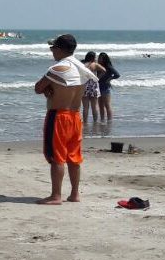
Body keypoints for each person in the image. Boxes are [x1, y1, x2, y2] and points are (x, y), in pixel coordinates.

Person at [33, 34, 98, 205]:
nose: (52, 51)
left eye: (53, 48)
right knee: (74, 157)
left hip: (58, 116)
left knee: (57, 157)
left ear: (60, 49)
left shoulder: (57, 68)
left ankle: (56, 195)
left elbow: (38, 88)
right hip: (75, 116)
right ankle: (74, 194)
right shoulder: (82, 69)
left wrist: (48, 89)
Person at [80, 51, 103, 123]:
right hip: (93, 85)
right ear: (93, 57)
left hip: (84, 85)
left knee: (85, 107)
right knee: (94, 106)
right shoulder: (95, 64)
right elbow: (104, 70)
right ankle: (95, 122)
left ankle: (85, 122)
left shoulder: (82, 64)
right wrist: (98, 77)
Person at [97, 52, 120, 122]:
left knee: (107, 105)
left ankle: (110, 121)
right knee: (100, 106)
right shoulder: (98, 66)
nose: (99, 59)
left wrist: (110, 79)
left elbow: (117, 74)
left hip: (105, 88)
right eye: (99, 58)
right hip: (98, 87)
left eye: (101, 58)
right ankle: (102, 120)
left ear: (104, 59)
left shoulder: (108, 66)